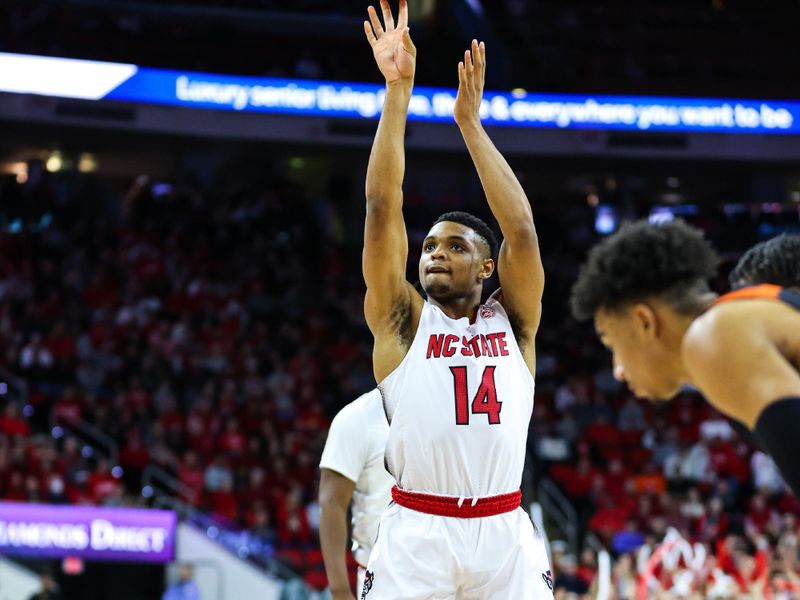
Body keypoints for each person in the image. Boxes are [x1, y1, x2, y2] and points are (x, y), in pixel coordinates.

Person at [360, 1, 551, 597]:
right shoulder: (403, 322)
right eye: (430, 246)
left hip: (502, 533)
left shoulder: (515, 322)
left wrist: (470, 125)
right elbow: (382, 208)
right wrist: (398, 93)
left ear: (488, 266)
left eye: (455, 246)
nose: (434, 253)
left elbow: (520, 230)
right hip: (418, 532)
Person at [570, 222, 800, 495]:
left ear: (644, 321)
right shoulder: (733, 328)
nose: (618, 370)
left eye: (611, 343)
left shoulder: (714, 336)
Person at [319, 389, 392, 600]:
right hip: (382, 578)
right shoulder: (357, 417)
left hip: (445, 569)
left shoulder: (442, 410)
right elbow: (332, 503)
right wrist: (340, 590)